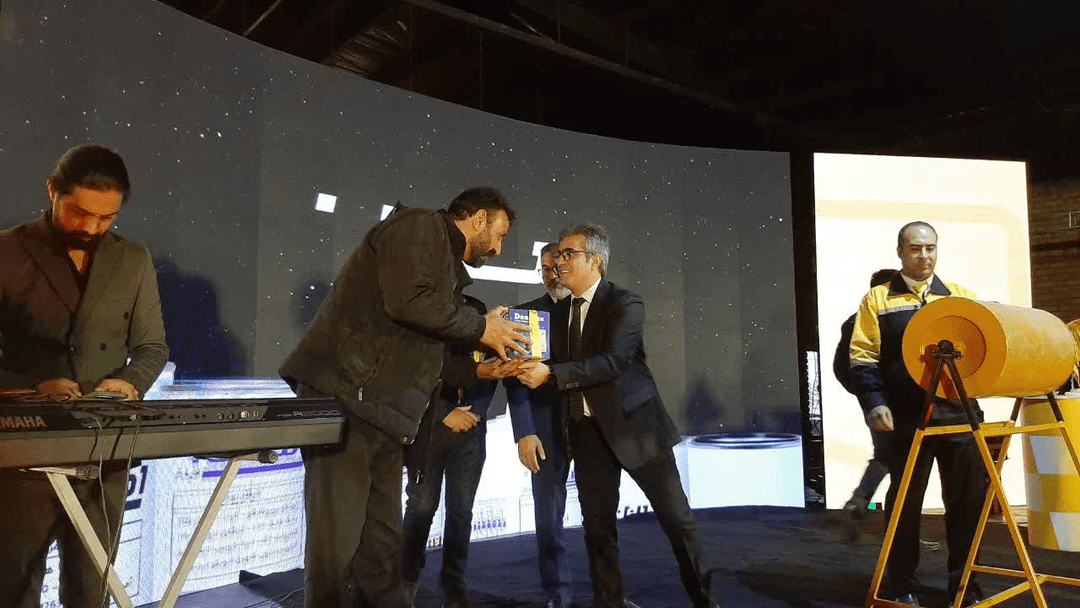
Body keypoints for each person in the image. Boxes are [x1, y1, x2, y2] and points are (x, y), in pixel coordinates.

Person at [279, 187, 530, 608]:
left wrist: (483, 368)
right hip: (347, 401)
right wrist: (480, 326)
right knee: (336, 545)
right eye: (500, 235)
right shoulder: (419, 226)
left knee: (380, 551)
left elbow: (425, 354)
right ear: (478, 219)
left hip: (384, 413)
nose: (499, 249)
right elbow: (408, 301)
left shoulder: (443, 267)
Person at [0, 144, 169, 607]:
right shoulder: (6, 250)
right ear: (52, 191)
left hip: (104, 451)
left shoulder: (134, 259)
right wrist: (32, 388)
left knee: (92, 589)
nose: (92, 228)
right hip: (23, 452)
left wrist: (132, 381)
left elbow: (153, 347)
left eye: (107, 217)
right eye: (80, 213)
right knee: (13, 587)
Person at [518, 224, 720, 608]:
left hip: (638, 429)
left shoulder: (625, 303)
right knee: (597, 530)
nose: (558, 262)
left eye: (567, 254)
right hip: (587, 433)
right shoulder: (558, 314)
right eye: (557, 255)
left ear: (595, 260)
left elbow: (613, 362)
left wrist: (552, 374)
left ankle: (705, 601)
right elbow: (532, 350)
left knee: (677, 522)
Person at [849, 221, 987, 607]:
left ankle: (965, 587)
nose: (924, 256)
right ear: (900, 252)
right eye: (915, 248)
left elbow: (981, 350)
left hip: (958, 415)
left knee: (968, 506)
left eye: (930, 248)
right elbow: (862, 357)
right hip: (907, 419)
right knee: (905, 506)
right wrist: (874, 401)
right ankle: (901, 585)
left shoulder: (960, 297)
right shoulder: (878, 300)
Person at [401, 293, 500, 608]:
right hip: (429, 430)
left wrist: (476, 412)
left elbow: (489, 371)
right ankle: (405, 583)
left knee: (461, 512)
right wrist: (444, 413)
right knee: (421, 507)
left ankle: (454, 587)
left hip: (471, 430)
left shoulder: (478, 312)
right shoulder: (426, 317)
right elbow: (414, 373)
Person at [505, 242, 573, 608]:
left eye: (556, 268)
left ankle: (609, 590)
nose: (551, 276)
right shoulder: (525, 316)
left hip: (588, 425)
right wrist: (524, 432)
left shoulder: (592, 313)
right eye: (544, 269)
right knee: (547, 514)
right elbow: (515, 380)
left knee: (600, 513)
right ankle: (558, 594)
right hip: (544, 428)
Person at [836, 269, 897, 518]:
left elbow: (842, 368)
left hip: (875, 400)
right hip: (889, 400)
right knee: (899, 458)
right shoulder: (877, 320)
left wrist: (867, 397)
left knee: (887, 455)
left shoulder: (856, 320)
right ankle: (894, 519)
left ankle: (860, 503)